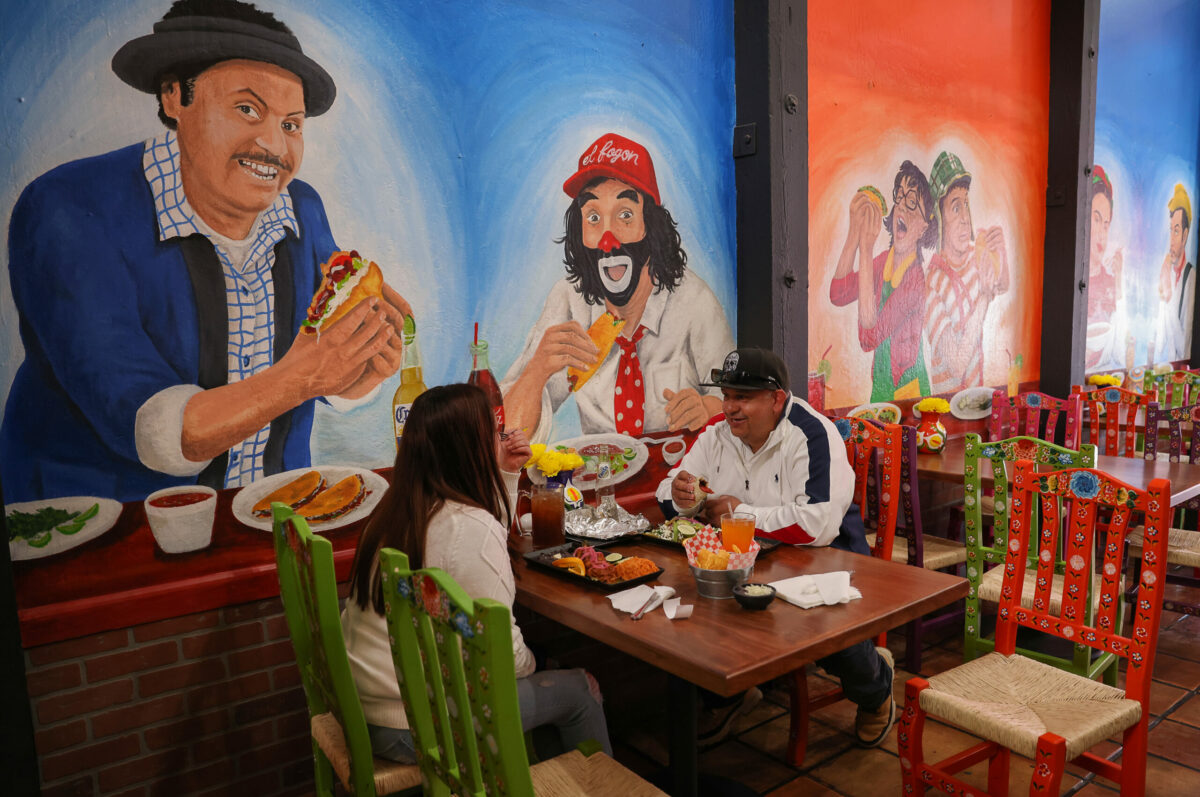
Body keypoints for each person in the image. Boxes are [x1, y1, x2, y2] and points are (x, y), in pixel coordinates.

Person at [0, 0, 411, 502]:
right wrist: (303, 376)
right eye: (247, 109)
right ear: (175, 96)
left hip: (272, 521)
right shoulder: (68, 209)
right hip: (102, 540)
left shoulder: (303, 210)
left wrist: (360, 367)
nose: (275, 148)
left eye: (291, 124)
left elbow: (321, 367)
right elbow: (152, 430)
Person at [342, 383, 611, 762]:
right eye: (495, 434)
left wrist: (506, 473)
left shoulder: (397, 507)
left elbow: (476, 542)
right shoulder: (465, 526)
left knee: (545, 673)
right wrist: (537, 666)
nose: (501, 442)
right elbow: (504, 655)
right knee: (580, 690)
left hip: (373, 705)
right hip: (415, 724)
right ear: (469, 449)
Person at [653, 348, 894, 748]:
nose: (730, 408)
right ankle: (729, 694)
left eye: (742, 397)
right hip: (753, 560)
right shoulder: (716, 432)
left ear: (777, 399)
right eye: (727, 395)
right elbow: (667, 490)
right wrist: (682, 497)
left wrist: (739, 513)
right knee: (704, 612)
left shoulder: (813, 434)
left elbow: (817, 524)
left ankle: (876, 692)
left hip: (829, 556)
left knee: (836, 641)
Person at [502, 132, 733, 442]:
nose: (607, 238)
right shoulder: (569, 301)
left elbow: (739, 403)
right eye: (593, 217)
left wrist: (708, 407)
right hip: (599, 480)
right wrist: (537, 371)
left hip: (679, 480)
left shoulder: (695, 303)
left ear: (652, 227)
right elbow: (509, 434)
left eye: (625, 215)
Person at [829, 161, 938, 403]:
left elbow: (869, 337)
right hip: (881, 385)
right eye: (899, 197)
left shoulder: (914, 280)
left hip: (909, 392)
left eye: (912, 203)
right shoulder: (882, 263)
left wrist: (865, 249)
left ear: (924, 227)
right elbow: (839, 293)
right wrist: (854, 234)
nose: (901, 207)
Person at [923, 151, 1010, 393]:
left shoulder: (975, 254)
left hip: (977, 400)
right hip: (947, 409)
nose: (965, 219)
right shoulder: (930, 284)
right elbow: (956, 365)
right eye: (955, 208)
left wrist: (1001, 254)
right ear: (940, 220)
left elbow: (1002, 285)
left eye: (966, 206)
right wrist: (983, 298)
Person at [1085, 165, 1125, 371]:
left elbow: (1121, 354)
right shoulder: (1073, 282)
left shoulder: (1110, 282)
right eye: (1097, 219)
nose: (1102, 233)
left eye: (1106, 224)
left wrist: (1118, 281)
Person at [1154, 184, 1194, 363]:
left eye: (1176, 231)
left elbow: (1183, 347)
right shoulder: (1168, 272)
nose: (1171, 239)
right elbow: (1160, 342)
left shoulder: (1191, 277)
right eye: (1171, 230)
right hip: (1163, 373)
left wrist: (1168, 297)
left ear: (1185, 236)